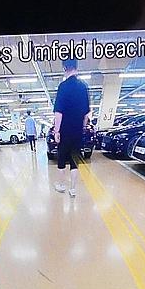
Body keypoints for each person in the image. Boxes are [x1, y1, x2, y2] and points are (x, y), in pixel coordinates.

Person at [51, 58, 91, 196]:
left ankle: (61, 185)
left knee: (62, 158)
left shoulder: (63, 86)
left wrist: (56, 131)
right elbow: (86, 114)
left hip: (64, 131)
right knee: (75, 161)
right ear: (76, 67)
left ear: (64, 68)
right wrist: (82, 127)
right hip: (77, 131)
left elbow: (58, 112)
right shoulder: (83, 87)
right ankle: (73, 189)